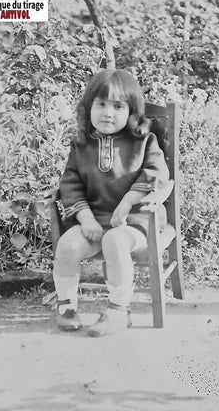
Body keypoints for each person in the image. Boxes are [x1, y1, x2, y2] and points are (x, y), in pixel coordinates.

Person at [53, 69, 170, 336]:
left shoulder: (143, 141)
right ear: (88, 107)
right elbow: (70, 184)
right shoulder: (81, 145)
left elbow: (157, 173)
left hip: (137, 221)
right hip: (94, 219)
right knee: (68, 246)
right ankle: (66, 306)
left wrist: (127, 203)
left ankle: (119, 311)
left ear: (131, 112)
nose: (108, 113)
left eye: (118, 106)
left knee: (114, 240)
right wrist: (86, 219)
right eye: (101, 104)